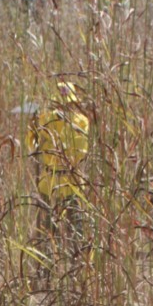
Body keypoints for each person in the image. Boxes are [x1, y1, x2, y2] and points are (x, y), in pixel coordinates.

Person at [27, 81, 90, 255]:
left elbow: (78, 152)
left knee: (75, 230)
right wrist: (33, 126)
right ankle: (44, 265)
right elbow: (31, 144)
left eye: (67, 103)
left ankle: (76, 263)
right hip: (48, 182)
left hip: (72, 184)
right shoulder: (44, 119)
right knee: (45, 230)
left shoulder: (81, 122)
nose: (63, 107)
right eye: (59, 104)